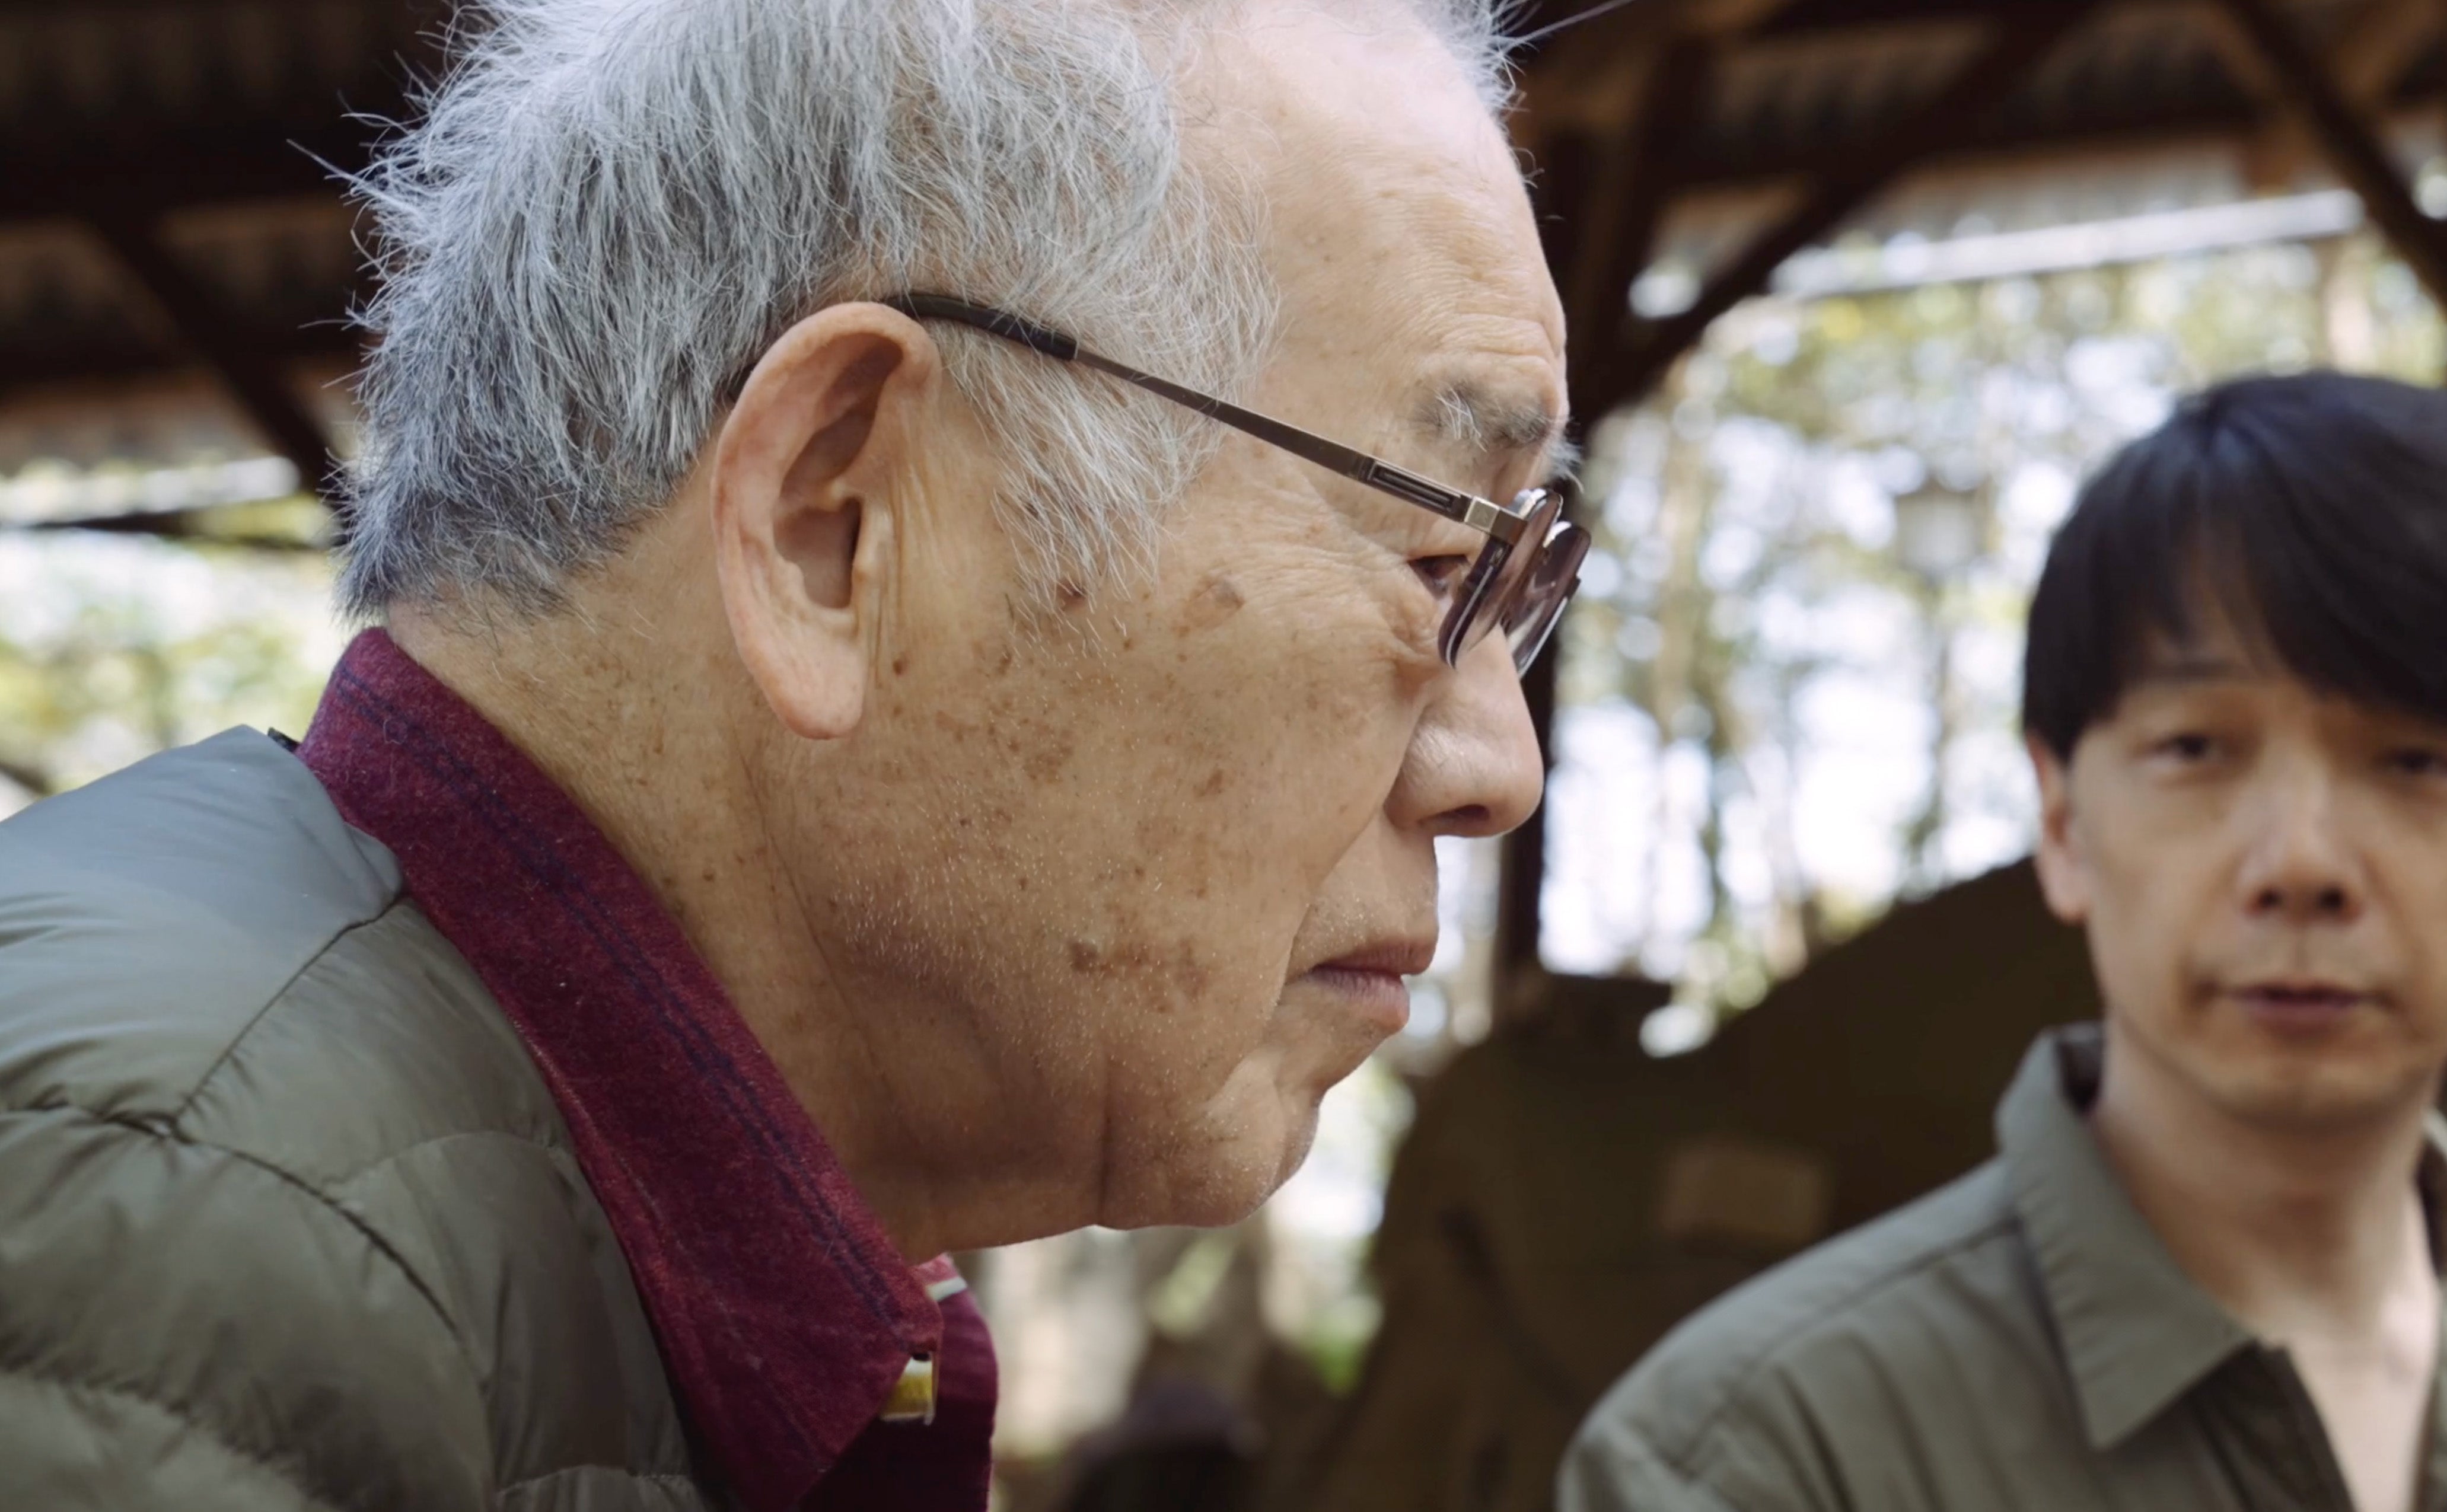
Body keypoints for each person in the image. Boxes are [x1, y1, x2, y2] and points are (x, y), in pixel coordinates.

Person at [0, 0, 1576, 1507]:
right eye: (1441, 559)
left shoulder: (468, 1223)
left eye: (1527, 583)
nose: (1498, 765)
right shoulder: (184, 1233)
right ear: (838, 523)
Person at [1560, 373, 2447, 1512]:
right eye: (2195, 750)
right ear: (2059, 819)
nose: (2301, 865)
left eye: (2418, 760)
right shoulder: (1763, 1457)